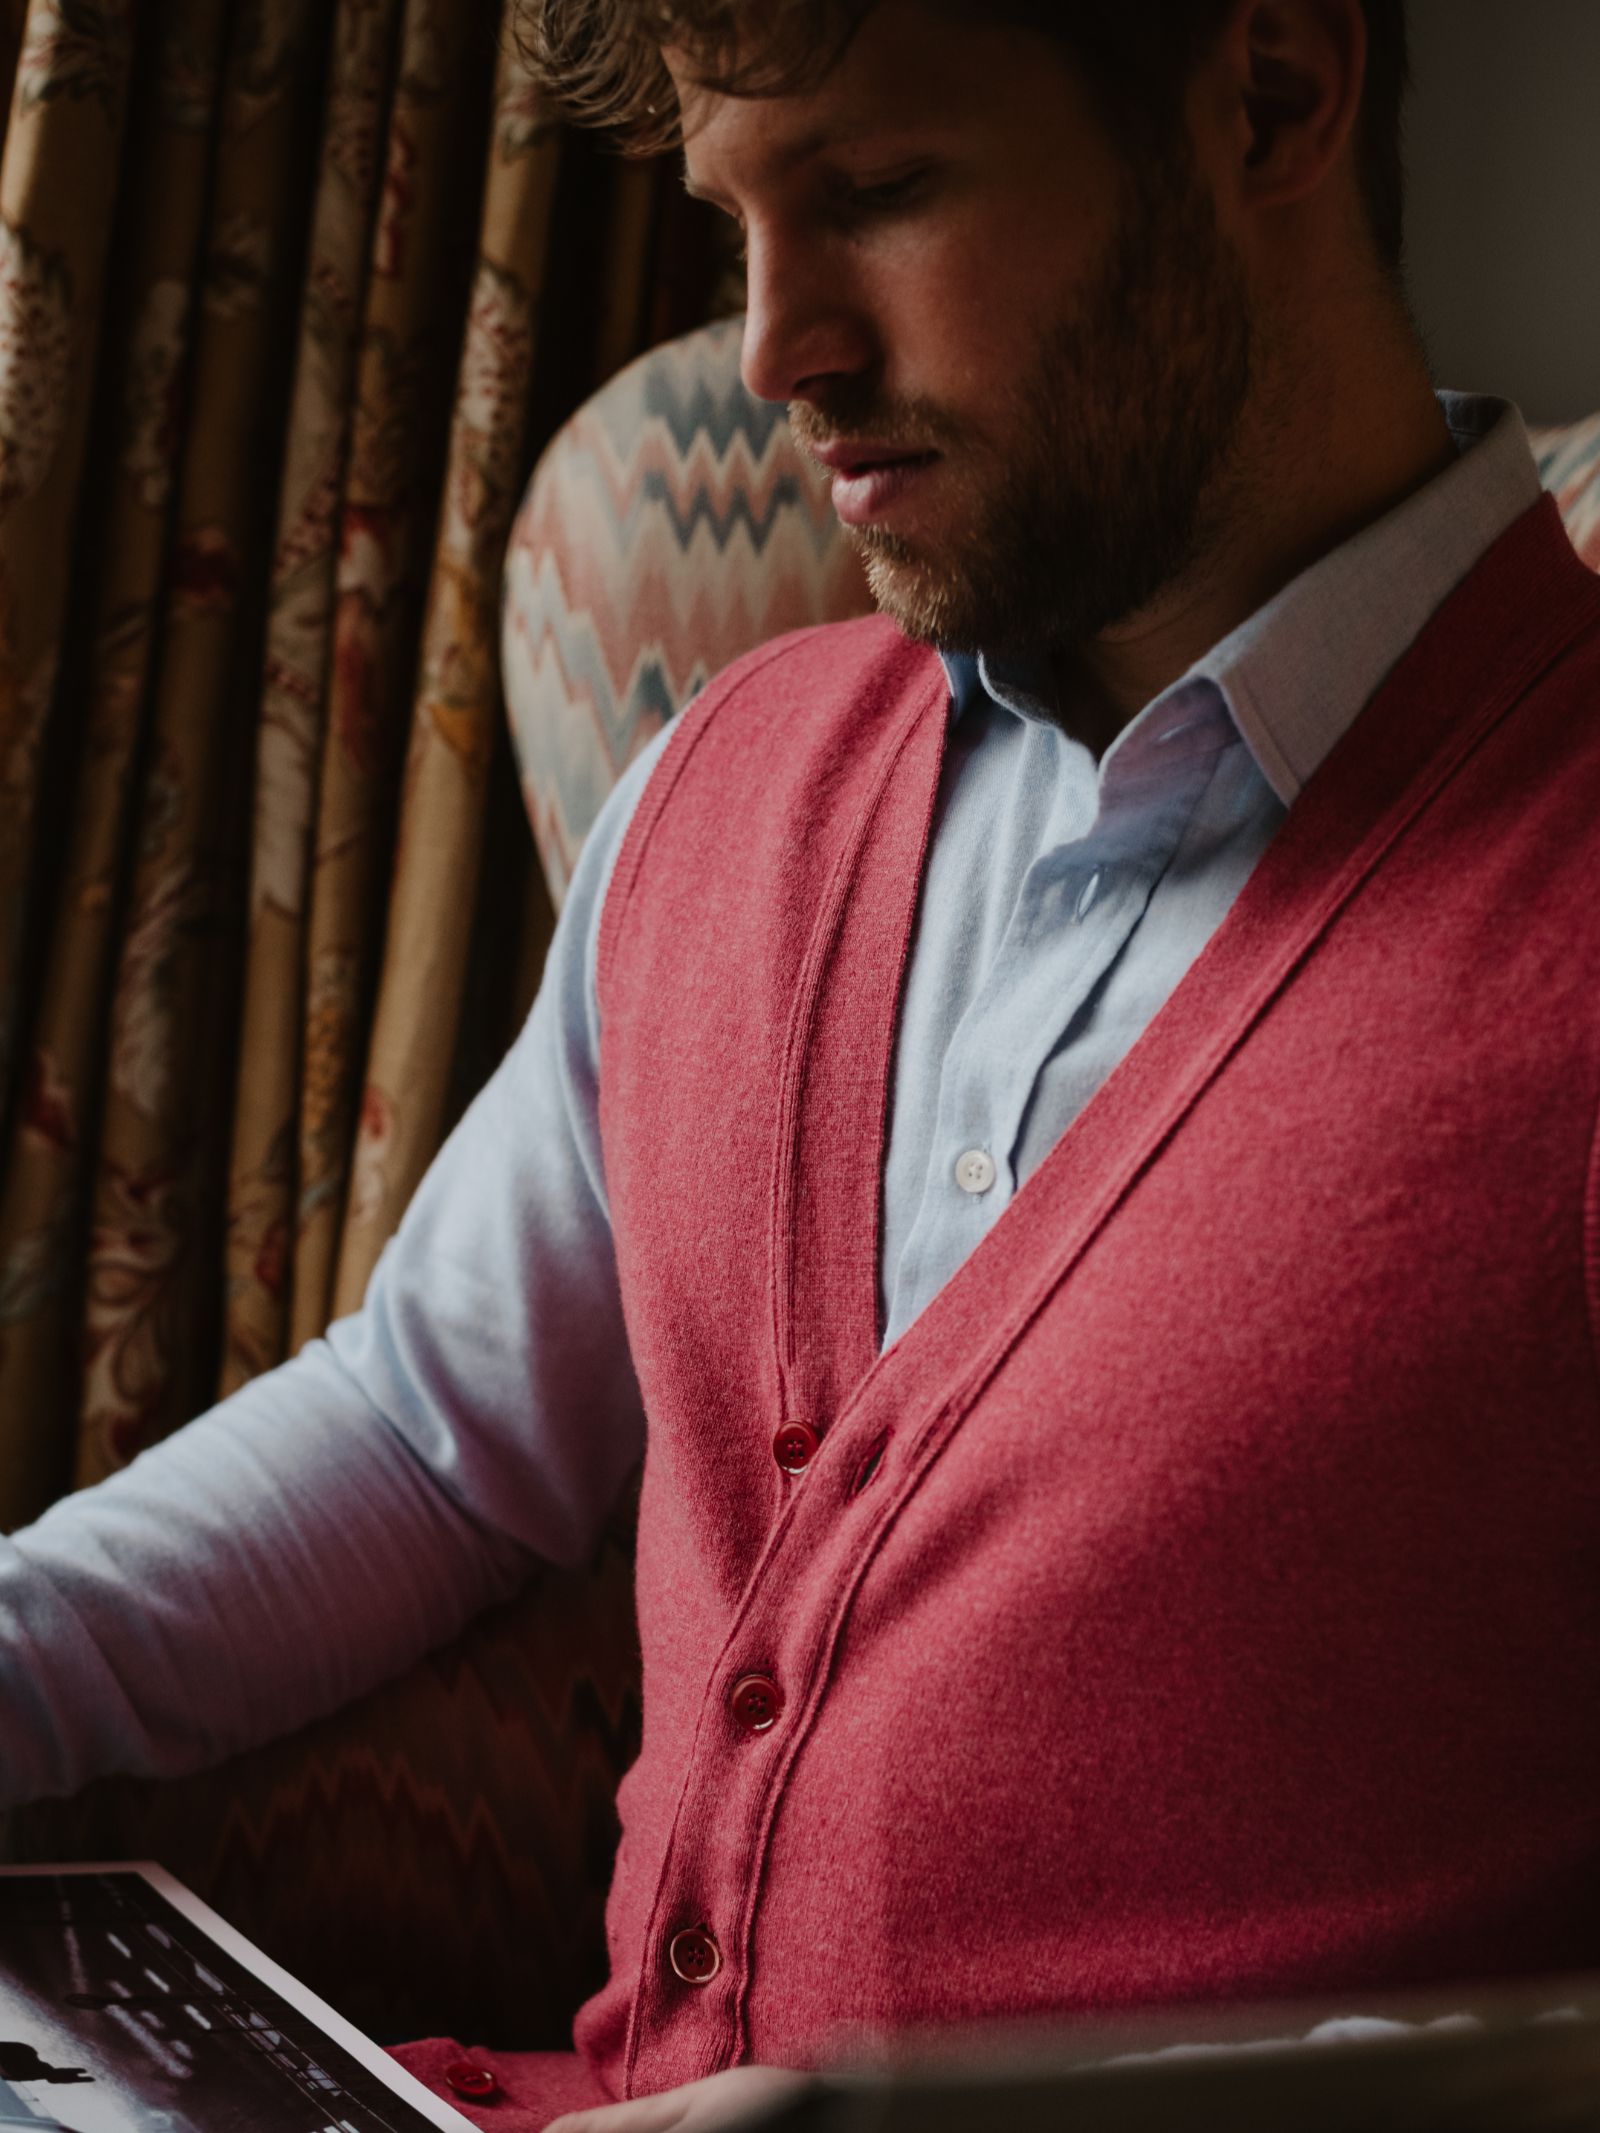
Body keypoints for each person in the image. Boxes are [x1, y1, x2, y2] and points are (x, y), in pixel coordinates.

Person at [4, 0, 1600, 2127]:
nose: (774, 350)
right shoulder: (728, 779)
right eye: (733, 217)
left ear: (1273, 93)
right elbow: (429, 1431)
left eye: (876, 190)